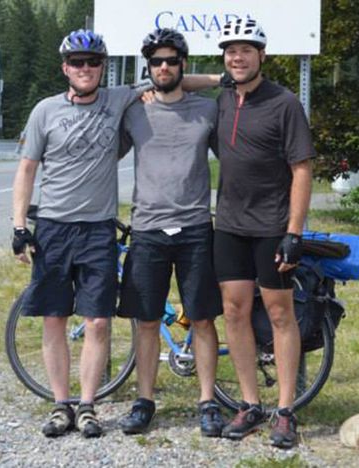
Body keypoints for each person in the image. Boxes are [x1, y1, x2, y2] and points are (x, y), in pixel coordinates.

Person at [12, 29, 147, 438]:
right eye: (77, 62)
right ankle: (60, 404)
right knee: (54, 319)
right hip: (53, 228)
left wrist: (223, 80)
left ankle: (87, 405)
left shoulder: (117, 98)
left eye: (92, 62)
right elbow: (27, 170)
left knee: (98, 321)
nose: (85, 69)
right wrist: (19, 226)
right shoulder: (45, 111)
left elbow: (168, 78)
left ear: (103, 66)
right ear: (65, 68)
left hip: (97, 231)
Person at [117, 28, 225, 437]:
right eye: (156, 61)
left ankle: (207, 400)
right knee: (145, 321)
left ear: (184, 63)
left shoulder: (208, 110)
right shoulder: (134, 110)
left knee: (202, 318)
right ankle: (144, 400)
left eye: (172, 60)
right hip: (147, 229)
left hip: (197, 226)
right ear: (148, 67)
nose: (164, 67)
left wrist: (213, 80)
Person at [213, 18, 315, 448]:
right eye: (231, 51)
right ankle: (250, 404)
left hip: (272, 226)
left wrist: (294, 232)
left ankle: (286, 410)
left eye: (246, 50)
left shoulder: (284, 102)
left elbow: (303, 168)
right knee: (234, 313)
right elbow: (191, 80)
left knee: (279, 315)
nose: (238, 57)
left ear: (262, 55)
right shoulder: (221, 99)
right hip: (229, 225)